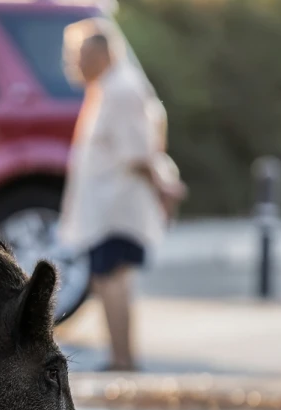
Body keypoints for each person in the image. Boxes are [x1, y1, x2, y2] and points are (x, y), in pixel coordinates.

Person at [56, 21, 186, 372]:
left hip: (116, 208)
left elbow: (139, 153)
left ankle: (122, 359)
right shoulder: (108, 88)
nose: (74, 63)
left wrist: (162, 190)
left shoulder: (121, 90)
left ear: (101, 54)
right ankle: (121, 356)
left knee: (112, 278)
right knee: (110, 279)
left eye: (79, 55)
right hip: (106, 207)